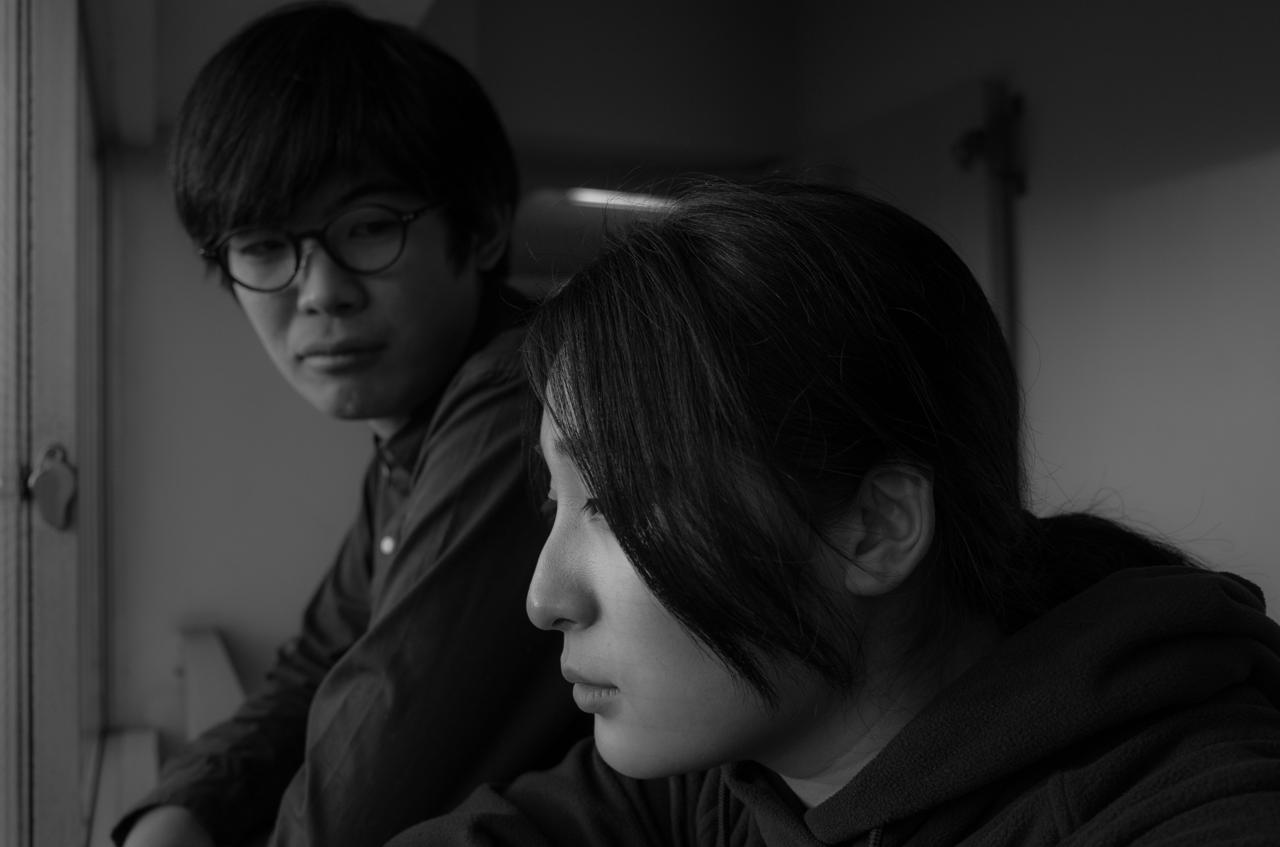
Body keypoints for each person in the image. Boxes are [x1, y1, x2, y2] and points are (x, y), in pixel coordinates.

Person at [387, 179, 1280, 846]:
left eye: (621, 501)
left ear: (875, 528)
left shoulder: (1195, 807)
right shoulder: (718, 769)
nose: (544, 598)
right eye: (559, 500)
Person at [113, 4, 590, 846]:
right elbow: (315, 665)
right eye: (264, 246)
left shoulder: (521, 398)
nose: (321, 291)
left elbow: (357, 804)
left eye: (369, 227)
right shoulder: (407, 441)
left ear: (481, 228)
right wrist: (175, 808)